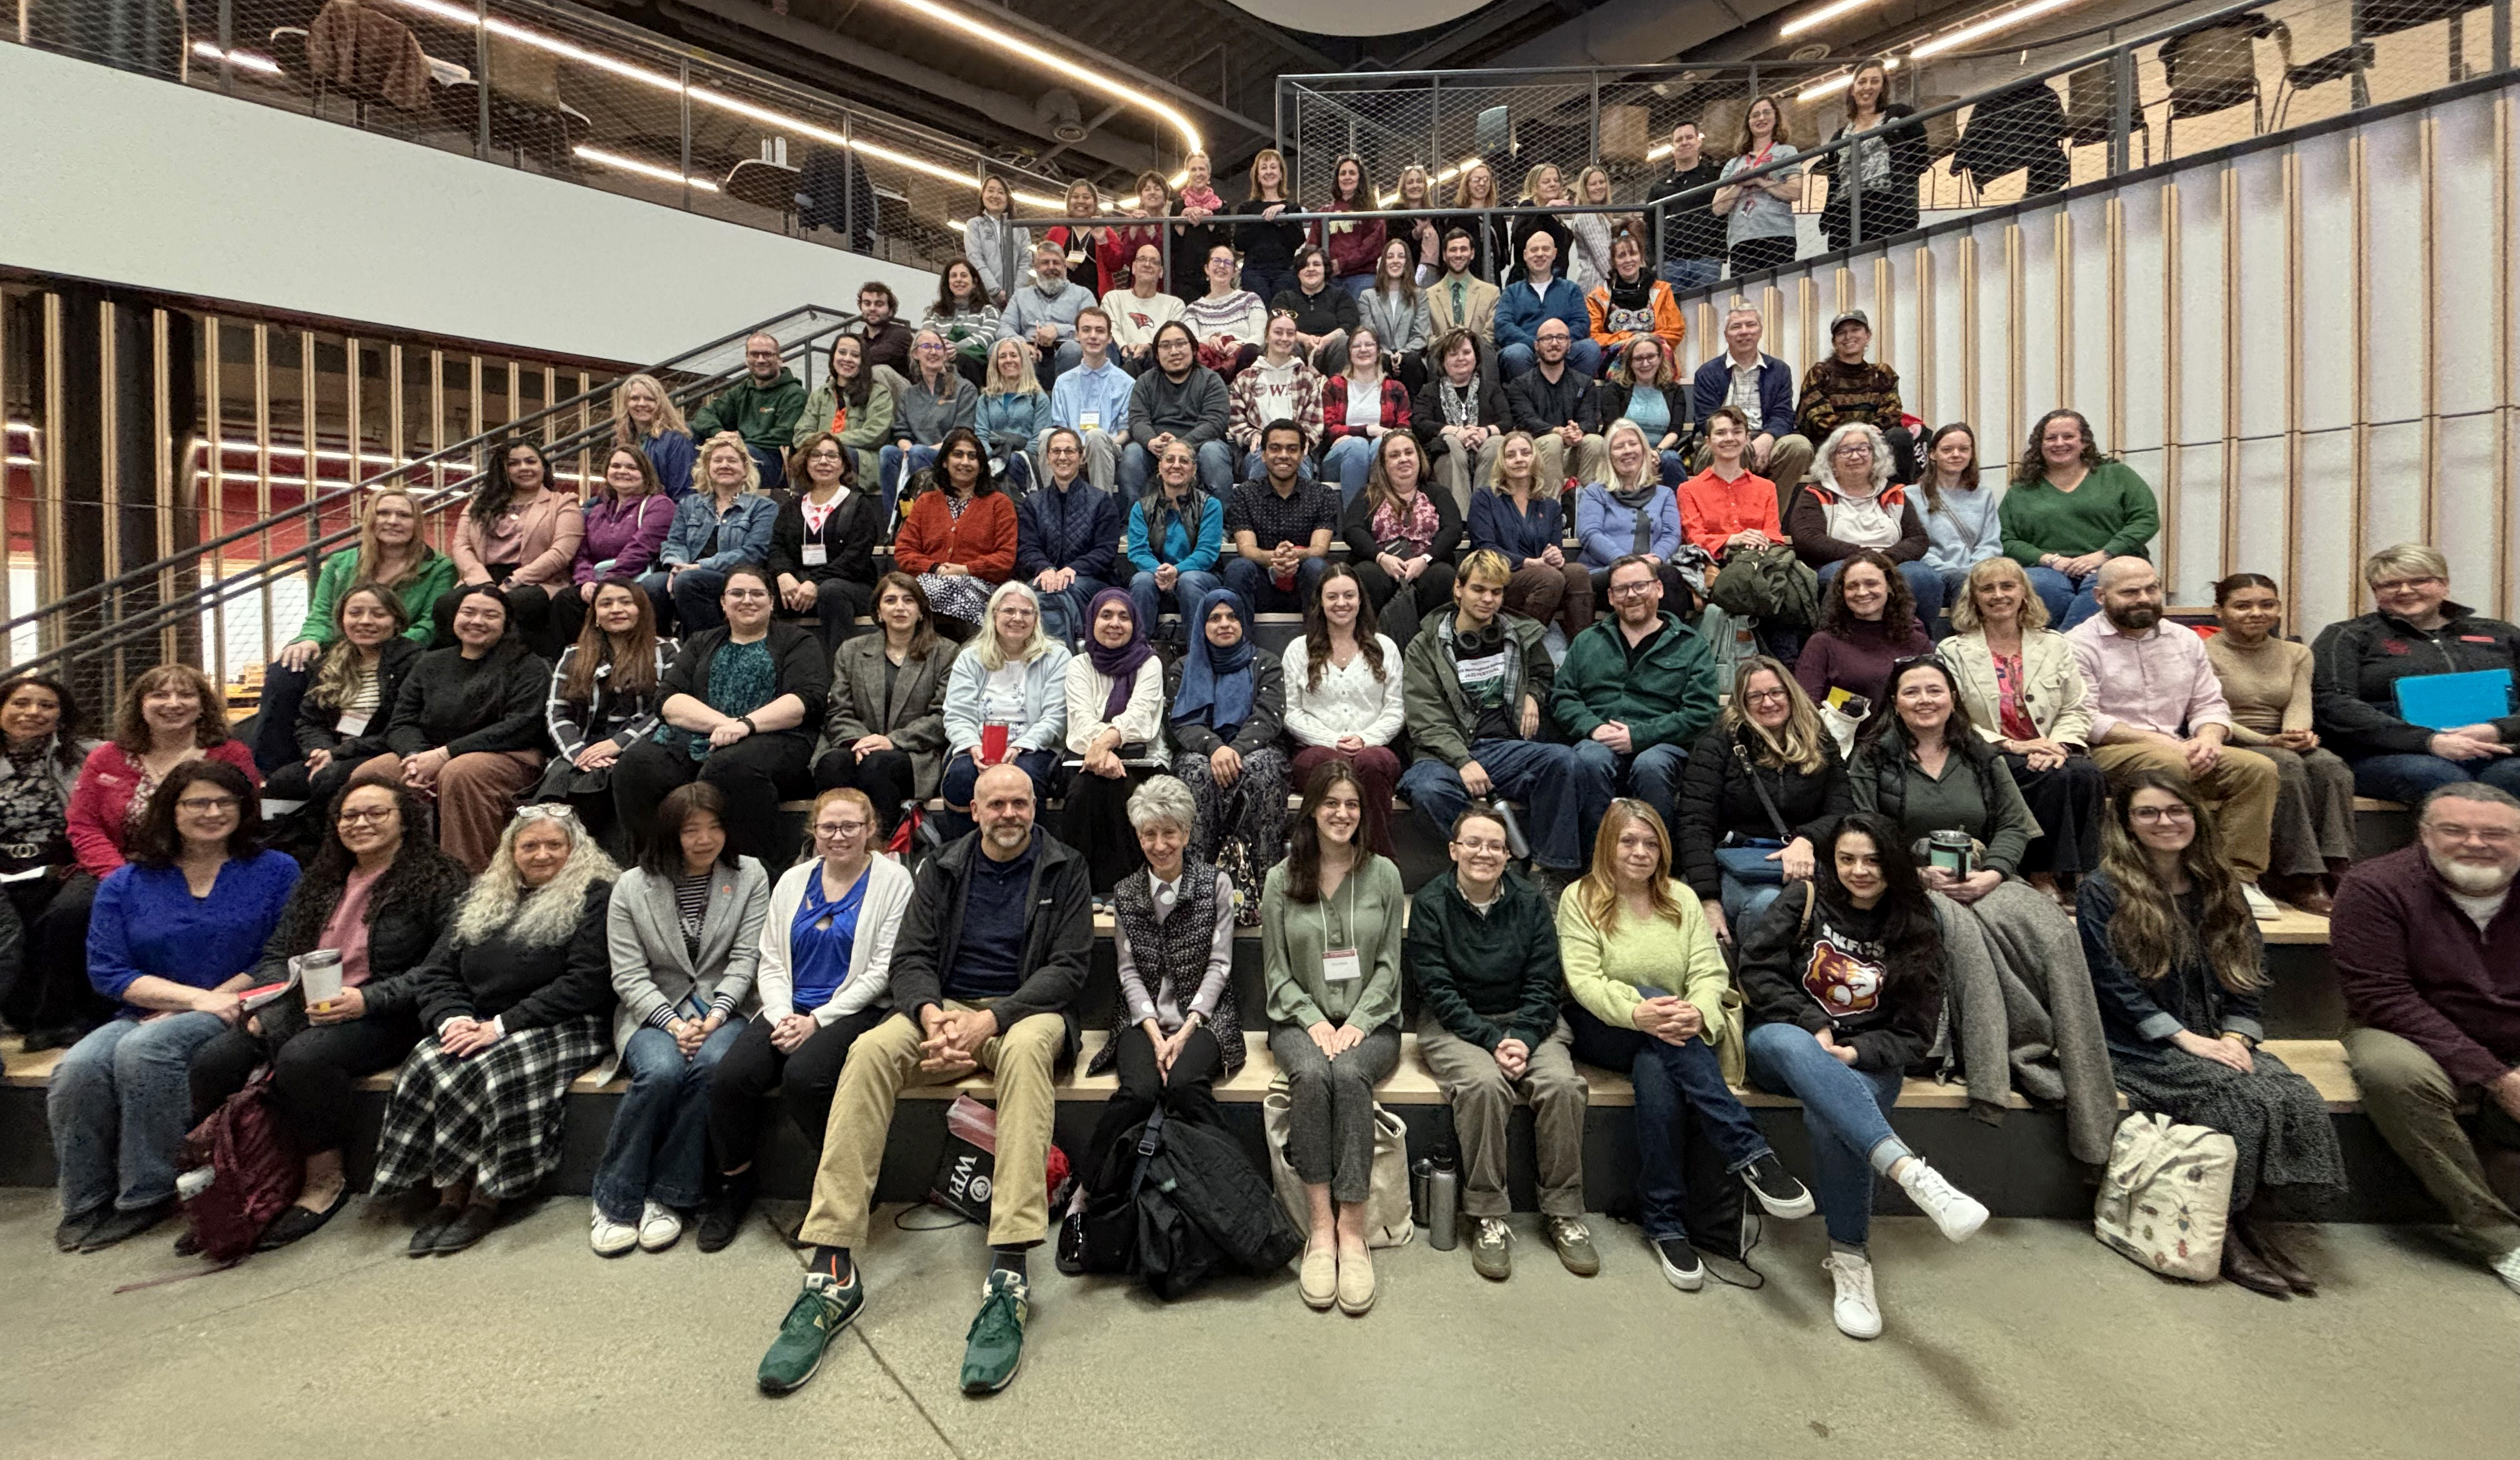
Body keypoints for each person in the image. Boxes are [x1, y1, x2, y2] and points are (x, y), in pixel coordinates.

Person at [756, 762, 1091, 1398]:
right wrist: (934, 1015)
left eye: (1021, 802)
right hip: (945, 1008)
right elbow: (911, 956)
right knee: (871, 1050)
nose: (1011, 813)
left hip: (1025, 1011)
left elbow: (1071, 966)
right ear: (973, 810)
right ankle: (832, 1263)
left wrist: (988, 1020)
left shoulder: (1064, 865)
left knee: (1024, 1055)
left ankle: (1011, 1269)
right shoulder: (941, 866)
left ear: (1035, 807)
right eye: (997, 804)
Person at [2080, 772, 2347, 1296]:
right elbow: (2108, 982)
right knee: (2235, 1099)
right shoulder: (2103, 889)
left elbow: (2248, 969)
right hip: (2137, 1042)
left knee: (2290, 1092)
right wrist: (2184, 1039)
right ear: (2128, 825)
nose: (2165, 822)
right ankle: (2224, 1234)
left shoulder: (2220, 885)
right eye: (2149, 813)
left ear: (2196, 816)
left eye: (2176, 810)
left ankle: (2250, 1223)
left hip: (2217, 1035)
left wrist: (2238, 1037)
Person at [1736, 812, 1991, 1339]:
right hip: (1783, 1044)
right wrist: (1814, 1025)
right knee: (1792, 1044)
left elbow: (1915, 1034)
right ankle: (1911, 1174)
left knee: (1832, 1118)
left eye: (1872, 860)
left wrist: (1854, 1054)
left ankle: (1851, 1263)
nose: (1859, 870)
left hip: (1867, 1060)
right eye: (1847, 859)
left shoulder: (1918, 923)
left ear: (1892, 863)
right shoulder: (1805, 899)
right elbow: (1756, 972)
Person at [185, 779, 468, 1250]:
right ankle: (235, 1184)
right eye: (349, 815)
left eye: (376, 813)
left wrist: (367, 1001)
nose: (361, 823)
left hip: (387, 1013)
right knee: (214, 1059)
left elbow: (443, 966)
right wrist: (269, 1003)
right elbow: (277, 953)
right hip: (304, 1005)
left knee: (304, 1058)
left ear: (405, 819)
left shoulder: (441, 878)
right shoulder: (321, 879)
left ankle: (323, 1181)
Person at [1558, 799, 1818, 1288]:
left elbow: (1708, 970)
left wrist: (1697, 1010)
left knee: (1657, 1069)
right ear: (1607, 846)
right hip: (1603, 1026)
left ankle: (1665, 1223)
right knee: (1658, 1021)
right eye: (1628, 841)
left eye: (1652, 842)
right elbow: (1584, 981)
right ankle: (1751, 1155)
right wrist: (1641, 1010)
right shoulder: (1582, 897)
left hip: (1673, 1033)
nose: (1641, 852)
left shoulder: (1680, 898)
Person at [47, 762, 296, 1252]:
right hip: (152, 1008)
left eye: (225, 802)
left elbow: (276, 954)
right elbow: (109, 971)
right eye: (197, 803)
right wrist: (191, 1000)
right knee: (75, 1068)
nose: (213, 812)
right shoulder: (127, 882)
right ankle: (84, 1202)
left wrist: (211, 1001)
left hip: (238, 1005)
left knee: (146, 1052)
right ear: (171, 811)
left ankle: (149, 1192)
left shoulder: (276, 870)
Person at [371, 805, 618, 1257]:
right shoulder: (481, 895)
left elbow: (587, 982)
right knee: (430, 1059)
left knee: (499, 1066)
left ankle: (491, 1194)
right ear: (511, 851)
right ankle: (448, 1191)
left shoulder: (595, 896)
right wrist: (453, 1020)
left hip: (562, 1021)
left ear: (574, 850)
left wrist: (501, 1027)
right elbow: (437, 974)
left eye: (554, 845)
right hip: (478, 1019)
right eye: (530, 845)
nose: (542, 854)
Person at [2329, 783, 2520, 1298]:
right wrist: (2495, 1076)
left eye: (2496, 833)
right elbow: (2382, 995)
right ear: (2425, 835)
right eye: (2455, 830)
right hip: (2408, 1031)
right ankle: (2499, 1237)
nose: (2475, 843)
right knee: (2391, 1074)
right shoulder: (2375, 886)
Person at [705, 786, 916, 1249]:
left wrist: (817, 1021)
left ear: (870, 830)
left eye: (850, 827)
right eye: (828, 828)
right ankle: (734, 1186)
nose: (839, 837)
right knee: (730, 1079)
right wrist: (782, 1015)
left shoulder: (894, 881)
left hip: (854, 1008)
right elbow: (772, 960)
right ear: (814, 831)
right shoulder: (793, 881)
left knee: (806, 1078)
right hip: (787, 1006)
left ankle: (843, 1189)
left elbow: (883, 969)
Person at [1409, 805, 1596, 1280]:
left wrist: (1523, 1036)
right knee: (1485, 1087)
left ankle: (1563, 1211)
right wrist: (1494, 1041)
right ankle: (1487, 1213)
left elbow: (1543, 980)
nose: (1484, 853)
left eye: (1495, 845)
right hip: (1456, 1024)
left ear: (1508, 853)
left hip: (1527, 1019)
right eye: (1473, 843)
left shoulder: (1531, 901)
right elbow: (1437, 989)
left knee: (1561, 1085)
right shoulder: (1431, 903)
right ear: (1454, 850)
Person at [589, 783, 768, 1256]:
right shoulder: (631, 886)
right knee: (662, 1071)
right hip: (652, 1011)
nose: (705, 839)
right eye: (692, 830)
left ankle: (668, 1197)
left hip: (725, 1007)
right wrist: (673, 1024)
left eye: (715, 828)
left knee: (712, 1068)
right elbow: (627, 975)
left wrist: (714, 1017)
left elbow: (746, 958)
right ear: (669, 833)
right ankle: (614, 1198)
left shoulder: (749, 875)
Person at [1066, 776, 1243, 1242]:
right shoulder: (1125, 892)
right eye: (1150, 834)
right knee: (1139, 1093)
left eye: (1170, 833)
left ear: (1187, 833)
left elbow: (1221, 965)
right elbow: (1127, 973)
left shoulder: (1215, 884)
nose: (1160, 844)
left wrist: (1185, 1032)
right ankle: (1085, 1191)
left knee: (1185, 1084)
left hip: (1204, 1017)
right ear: (1138, 836)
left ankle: (1236, 1186)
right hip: (1140, 1020)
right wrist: (1152, 1031)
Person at [51, 666, 261, 1048]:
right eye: (160, 696)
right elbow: (83, 825)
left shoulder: (230, 754)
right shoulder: (106, 758)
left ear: (203, 706)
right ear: (140, 705)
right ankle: (72, 1018)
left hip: (203, 861)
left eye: (186, 696)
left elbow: (245, 813)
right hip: (119, 865)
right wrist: (120, 876)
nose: (173, 704)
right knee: (68, 913)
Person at [1263, 759, 1407, 1314]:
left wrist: (1359, 1023)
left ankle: (1354, 1230)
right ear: (1312, 810)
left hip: (1373, 1022)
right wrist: (1315, 1021)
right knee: (1309, 1074)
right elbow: (1276, 973)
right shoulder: (1282, 878)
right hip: (1299, 1021)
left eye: (1351, 804)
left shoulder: (1385, 876)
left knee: (1348, 1074)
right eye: (1331, 804)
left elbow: (1390, 969)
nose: (1342, 814)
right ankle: (1320, 1229)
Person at [2069, 557, 2284, 916]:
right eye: (2130, 592)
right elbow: (2086, 719)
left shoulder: (2185, 640)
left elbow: (2210, 704)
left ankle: (2238, 880)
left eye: (2151, 589)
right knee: (2168, 762)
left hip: (2181, 749)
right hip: (2109, 751)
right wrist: (2165, 744)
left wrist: (2211, 738)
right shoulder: (2078, 644)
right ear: (2100, 596)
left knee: (2258, 769)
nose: (2143, 598)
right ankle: (2158, 876)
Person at [609, 566, 828, 866]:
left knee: (729, 768)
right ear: (723, 603)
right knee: (635, 766)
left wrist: (747, 725)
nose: (747, 600)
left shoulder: (797, 641)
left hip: (778, 738)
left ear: (772, 601)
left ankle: (754, 873)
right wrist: (725, 724)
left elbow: (808, 699)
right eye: (736, 594)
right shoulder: (701, 642)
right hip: (702, 736)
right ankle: (654, 868)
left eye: (757, 593)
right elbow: (668, 699)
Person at [1400, 549, 1597, 876]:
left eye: (1496, 591)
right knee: (1428, 790)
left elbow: (1543, 675)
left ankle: (1546, 871)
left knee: (1565, 761)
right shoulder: (1424, 646)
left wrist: (1533, 695)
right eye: (1479, 589)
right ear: (1458, 590)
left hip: (1506, 747)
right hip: (1444, 753)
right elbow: (1426, 718)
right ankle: (1493, 863)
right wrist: (1463, 761)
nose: (1488, 599)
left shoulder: (1521, 634)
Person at [251, 486, 452, 775]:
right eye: (383, 513)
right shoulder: (340, 562)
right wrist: (308, 639)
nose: (393, 521)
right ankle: (276, 768)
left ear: (416, 523)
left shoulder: (439, 567)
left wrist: (381, 648)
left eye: (403, 515)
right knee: (286, 670)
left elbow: (430, 623)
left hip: (401, 654)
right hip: (341, 652)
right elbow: (321, 614)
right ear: (370, 520)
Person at [1938, 556, 2107, 889]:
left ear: (2024, 594)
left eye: (2007, 586)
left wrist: (2057, 744)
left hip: (2051, 746)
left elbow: (2076, 706)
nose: (1998, 595)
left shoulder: (2055, 645)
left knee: (2088, 775)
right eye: (1987, 589)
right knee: (2048, 776)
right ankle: (2042, 874)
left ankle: (2087, 879)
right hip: (1991, 751)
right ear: (1974, 599)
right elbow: (1954, 716)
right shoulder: (1953, 651)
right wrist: (2014, 745)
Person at [2311, 541, 2520, 803]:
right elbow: (2333, 703)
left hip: (2499, 748)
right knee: (2437, 777)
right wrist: (2428, 741)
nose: (2405, 590)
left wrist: (2497, 730)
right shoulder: (2347, 635)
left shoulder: (2501, 633)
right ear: (2375, 592)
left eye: (2419, 581)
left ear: (2444, 584)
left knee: (2514, 775)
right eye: (2390, 585)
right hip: (2388, 754)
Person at [362, 586, 548, 874]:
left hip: (508, 755)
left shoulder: (528, 665)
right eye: (468, 612)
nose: (477, 621)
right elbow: (402, 721)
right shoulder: (431, 662)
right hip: (431, 753)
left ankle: (464, 879)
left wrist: (445, 755)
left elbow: (521, 725)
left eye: (490, 615)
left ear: (506, 623)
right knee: (371, 776)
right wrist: (416, 758)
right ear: (455, 618)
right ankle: (381, 875)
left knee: (460, 773)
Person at [2209, 572, 2356, 912]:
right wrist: (2269, 741)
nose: (2256, 613)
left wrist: (2298, 734)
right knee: (2284, 766)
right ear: (2219, 611)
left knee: (2330, 766)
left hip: (2283, 740)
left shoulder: (2297, 653)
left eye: (2267, 605)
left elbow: (2299, 703)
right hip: (2232, 737)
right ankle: (2299, 875)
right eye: (2242, 606)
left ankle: (2338, 867)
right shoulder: (2201, 652)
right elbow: (2205, 712)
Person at [1678, 656, 1850, 943]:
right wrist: (1707, 900)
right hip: (1737, 866)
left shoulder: (1819, 739)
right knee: (1767, 905)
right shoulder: (1719, 742)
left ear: (1790, 693)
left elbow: (1842, 810)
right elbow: (1695, 823)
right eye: (1755, 696)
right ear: (1741, 704)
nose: (1768, 703)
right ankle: (1759, 984)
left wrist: (1806, 840)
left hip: (1806, 862)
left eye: (1776, 692)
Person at [1557, 554, 1721, 836]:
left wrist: (1639, 736)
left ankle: (1658, 864)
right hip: (1599, 741)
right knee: (1589, 759)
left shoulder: (1691, 645)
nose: (1631, 595)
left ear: (1658, 589)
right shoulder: (1587, 642)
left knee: (1651, 765)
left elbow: (1701, 711)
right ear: (1610, 597)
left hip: (1663, 746)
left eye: (1640, 586)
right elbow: (1563, 697)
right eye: (1621, 589)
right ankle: (1593, 865)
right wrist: (1593, 728)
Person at [262, 584, 423, 835]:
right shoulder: (331, 661)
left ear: (396, 621)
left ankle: (328, 850)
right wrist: (320, 750)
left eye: (378, 614)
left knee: (332, 780)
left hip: (380, 751)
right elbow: (309, 720)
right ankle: (279, 848)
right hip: (331, 752)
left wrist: (339, 754)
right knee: (282, 781)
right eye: (355, 613)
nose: (365, 621)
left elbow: (402, 726)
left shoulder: (414, 661)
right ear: (342, 619)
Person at [812, 573, 960, 843]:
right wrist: (861, 741)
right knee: (832, 763)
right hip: (853, 746)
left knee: (878, 765)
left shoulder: (946, 652)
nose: (900, 607)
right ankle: (832, 843)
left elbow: (943, 716)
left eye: (908, 600)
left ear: (920, 612)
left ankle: (878, 847)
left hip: (912, 753)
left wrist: (890, 741)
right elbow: (838, 710)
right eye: (890, 600)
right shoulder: (852, 651)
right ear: (878, 612)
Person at [0, 675, 101, 1048]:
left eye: (46, 705)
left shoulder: (90, 754)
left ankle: (60, 1017)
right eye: (20, 703)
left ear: (62, 715)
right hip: (3, 865)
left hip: (66, 862)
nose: (33, 713)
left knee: (68, 910)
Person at [538, 577, 676, 850]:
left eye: (626, 602)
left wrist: (618, 744)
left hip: (641, 746)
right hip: (585, 749)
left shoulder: (668, 651)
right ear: (596, 616)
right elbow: (557, 712)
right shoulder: (573, 655)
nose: (616, 609)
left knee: (618, 778)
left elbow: (668, 709)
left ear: (642, 610)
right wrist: (579, 754)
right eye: (606, 604)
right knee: (560, 782)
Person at [1998, 408, 2162, 630]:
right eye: (2051, 438)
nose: (2059, 443)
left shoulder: (2117, 475)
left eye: (2068, 436)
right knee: (2040, 585)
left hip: (2111, 562)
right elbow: (2006, 540)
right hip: (2047, 569)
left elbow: (2146, 519)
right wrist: (2052, 560)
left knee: (2109, 587)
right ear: (2040, 445)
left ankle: (2064, 652)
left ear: (2084, 442)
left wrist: (2104, 555)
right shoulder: (2020, 491)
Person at [1282, 565, 1406, 858]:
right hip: (1315, 749)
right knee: (1330, 764)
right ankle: (1324, 860)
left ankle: (1377, 863)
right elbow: (1290, 712)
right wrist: (1332, 740)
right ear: (1321, 603)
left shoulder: (1384, 647)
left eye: (1349, 595)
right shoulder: (1299, 650)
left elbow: (1395, 708)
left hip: (1373, 748)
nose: (1342, 603)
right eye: (1333, 596)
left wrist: (1366, 739)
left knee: (1372, 763)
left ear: (1360, 600)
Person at [938, 582, 1072, 842]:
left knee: (1026, 775)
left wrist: (1022, 745)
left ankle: (1033, 855)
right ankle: (964, 856)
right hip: (978, 746)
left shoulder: (1056, 656)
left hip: (1035, 747)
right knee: (961, 776)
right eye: (1009, 611)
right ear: (994, 614)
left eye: (1026, 612)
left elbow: (1057, 717)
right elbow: (956, 714)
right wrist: (972, 746)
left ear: (1036, 618)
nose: (1017, 618)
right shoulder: (970, 657)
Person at [1167, 589, 1289, 871]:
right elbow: (1180, 723)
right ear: (1202, 625)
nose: (1225, 624)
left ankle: (1261, 879)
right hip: (1202, 751)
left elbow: (1268, 717)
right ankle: (1198, 880)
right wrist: (1215, 747)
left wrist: (1234, 750)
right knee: (1195, 771)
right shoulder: (1183, 668)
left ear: (1243, 622)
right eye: (1215, 618)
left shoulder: (1266, 663)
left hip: (1256, 748)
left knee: (1260, 767)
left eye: (1232, 617)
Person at [1789, 421, 1945, 632]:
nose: (1855, 456)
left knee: (1925, 578)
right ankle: (1841, 641)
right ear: (1832, 459)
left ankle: (1917, 640)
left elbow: (1918, 538)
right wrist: (1863, 557)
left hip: (1891, 561)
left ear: (1875, 455)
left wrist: (1887, 559)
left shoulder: (1895, 493)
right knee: (1838, 577)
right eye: (1845, 451)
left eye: (1863, 449)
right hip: (1839, 562)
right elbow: (1807, 538)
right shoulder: (1814, 494)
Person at [438, 438, 582, 656]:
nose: (523, 468)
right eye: (514, 463)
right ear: (503, 469)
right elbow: (461, 545)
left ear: (543, 466)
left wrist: (514, 581)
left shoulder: (563, 503)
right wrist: (482, 583)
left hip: (536, 580)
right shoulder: (479, 502)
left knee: (512, 605)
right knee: (446, 604)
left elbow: (561, 553)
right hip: (482, 577)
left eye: (530, 461)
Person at [1061, 589, 1162, 895]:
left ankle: (1126, 889)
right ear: (1092, 621)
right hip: (1084, 758)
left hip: (1141, 758)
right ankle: (1081, 889)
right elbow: (1080, 723)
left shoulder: (1150, 663)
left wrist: (1104, 744)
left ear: (1135, 624)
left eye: (1124, 617)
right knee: (1084, 790)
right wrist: (1104, 752)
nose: (1115, 623)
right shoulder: (1079, 665)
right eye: (1106, 615)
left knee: (1127, 790)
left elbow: (1141, 717)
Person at [894, 428, 1019, 639]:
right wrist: (936, 569)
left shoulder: (999, 504)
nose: (965, 462)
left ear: (981, 466)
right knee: (912, 594)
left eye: (973, 457)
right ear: (945, 461)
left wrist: (965, 569)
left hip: (981, 587)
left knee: (938, 593)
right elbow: (905, 551)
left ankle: (964, 659)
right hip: (930, 582)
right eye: (958, 454)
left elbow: (1005, 558)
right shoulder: (926, 502)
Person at [1340, 431, 1461, 647]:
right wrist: (1381, 558)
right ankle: (1368, 645)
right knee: (1366, 575)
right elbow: (1352, 529)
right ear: (1384, 465)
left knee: (1443, 576)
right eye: (1395, 455)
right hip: (1382, 566)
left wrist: (1425, 559)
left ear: (1419, 458)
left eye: (1409, 453)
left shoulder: (1438, 493)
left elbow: (1453, 530)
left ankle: (1431, 646)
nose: (1403, 459)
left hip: (1426, 566)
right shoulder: (1369, 494)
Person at [549, 446, 674, 651]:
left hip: (636, 578)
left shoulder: (660, 505)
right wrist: (586, 582)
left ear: (645, 472)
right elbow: (582, 555)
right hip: (598, 581)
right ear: (607, 472)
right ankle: (577, 660)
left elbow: (640, 550)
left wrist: (605, 586)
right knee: (566, 600)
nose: (622, 471)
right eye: (616, 466)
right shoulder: (596, 511)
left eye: (631, 467)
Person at [650, 432, 778, 636]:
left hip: (734, 576)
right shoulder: (689, 505)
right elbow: (674, 542)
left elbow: (753, 552)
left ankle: (708, 645)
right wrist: (677, 565)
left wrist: (699, 566)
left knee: (688, 582)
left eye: (732, 460)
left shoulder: (763, 507)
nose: (724, 465)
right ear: (708, 469)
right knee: (653, 585)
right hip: (687, 571)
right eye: (717, 460)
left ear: (745, 470)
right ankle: (665, 648)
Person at [1468, 430, 1591, 641]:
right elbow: (1485, 548)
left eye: (1525, 453)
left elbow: (1555, 547)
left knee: (1577, 572)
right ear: (1502, 462)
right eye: (1511, 455)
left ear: (1534, 458)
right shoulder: (1485, 498)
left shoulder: (1550, 506)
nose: (1519, 459)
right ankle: (1523, 643)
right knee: (1549, 577)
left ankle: (1581, 646)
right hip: (1501, 577)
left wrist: (1555, 556)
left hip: (1543, 578)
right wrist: (1527, 563)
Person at [767, 432, 885, 648]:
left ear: (843, 465)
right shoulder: (792, 508)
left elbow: (856, 558)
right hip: (800, 586)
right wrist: (783, 574)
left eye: (832, 456)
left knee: (830, 591)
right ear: (805, 463)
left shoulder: (859, 506)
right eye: (816, 455)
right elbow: (777, 548)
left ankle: (838, 671)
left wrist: (815, 582)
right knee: (764, 593)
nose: (824, 461)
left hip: (851, 586)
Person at [1689, 304, 1811, 504]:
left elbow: (1783, 414)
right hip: (1722, 441)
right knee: (1735, 448)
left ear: (1760, 331)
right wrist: (1741, 439)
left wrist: (1768, 438)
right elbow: (1706, 420)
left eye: (1751, 325)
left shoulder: (1779, 370)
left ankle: (1770, 523)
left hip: (1765, 438)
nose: (1744, 331)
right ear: (1726, 335)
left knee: (1799, 447)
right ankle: (1729, 522)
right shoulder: (1707, 372)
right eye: (1736, 327)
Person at [1016, 427, 1126, 646]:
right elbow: (1028, 548)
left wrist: (1072, 570)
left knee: (1061, 592)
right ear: (1047, 457)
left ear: (1081, 456)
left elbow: (1105, 551)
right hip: (1045, 578)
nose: (1063, 457)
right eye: (1056, 451)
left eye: (1069, 451)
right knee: (1027, 596)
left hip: (1090, 580)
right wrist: (1045, 568)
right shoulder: (1033, 503)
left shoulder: (1101, 501)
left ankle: (1058, 656)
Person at [1794, 550, 1934, 717]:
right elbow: (1807, 709)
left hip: (1905, 739)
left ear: (1889, 586)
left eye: (1871, 584)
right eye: (1852, 586)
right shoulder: (1822, 643)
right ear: (1842, 593)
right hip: (1844, 740)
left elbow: (1931, 700)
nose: (1862, 592)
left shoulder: (1917, 642)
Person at [1222, 419, 1339, 614]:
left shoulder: (1322, 494)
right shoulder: (1244, 494)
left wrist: (1292, 556)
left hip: (1305, 583)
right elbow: (1246, 549)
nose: (1283, 456)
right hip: (1261, 584)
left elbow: (1319, 549)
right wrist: (1276, 559)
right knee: (1238, 568)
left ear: (1303, 455)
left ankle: (1319, 644)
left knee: (1317, 566)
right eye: (1275, 449)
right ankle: (1241, 644)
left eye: (1292, 449)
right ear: (1263, 455)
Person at [1813, 59, 1926, 249]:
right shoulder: (1840, 136)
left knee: (1884, 262)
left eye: (1875, 81)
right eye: (1862, 82)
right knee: (1845, 269)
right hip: (1844, 211)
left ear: (1883, 87)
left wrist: (1904, 187)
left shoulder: (1898, 116)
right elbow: (1834, 180)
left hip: (1886, 204)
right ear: (1852, 89)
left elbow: (1920, 155)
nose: (1868, 87)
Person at [1794, 311, 1916, 483]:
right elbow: (1817, 416)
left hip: (1874, 442)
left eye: (1855, 330)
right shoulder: (1820, 373)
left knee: (1900, 436)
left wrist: (1871, 432)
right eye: (1841, 333)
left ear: (1868, 336)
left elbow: (1892, 411)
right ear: (1834, 342)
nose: (1848, 336)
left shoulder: (1882, 374)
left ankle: (1897, 499)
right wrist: (1857, 434)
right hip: (1832, 441)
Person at [1574, 421, 1686, 608]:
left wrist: (1657, 559)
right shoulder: (1595, 492)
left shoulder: (1664, 494)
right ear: (1609, 456)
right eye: (1619, 447)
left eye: (1633, 444)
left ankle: (1669, 637)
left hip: (1652, 572)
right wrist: (1628, 564)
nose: (1627, 451)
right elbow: (1590, 533)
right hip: (1606, 573)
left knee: (1669, 576)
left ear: (1644, 450)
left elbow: (1671, 534)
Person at [1126, 438, 1228, 638]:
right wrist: (1161, 572)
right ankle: (1137, 653)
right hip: (1156, 575)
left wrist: (1177, 571)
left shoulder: (1210, 505)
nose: (1176, 465)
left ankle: (1198, 655)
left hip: (1200, 576)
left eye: (1184, 461)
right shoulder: (1142, 507)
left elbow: (1206, 554)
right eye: (1170, 459)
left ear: (1194, 469)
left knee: (1188, 581)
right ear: (1160, 467)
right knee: (1141, 581)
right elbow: (1138, 552)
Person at [1121, 321, 1236, 499]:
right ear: (1157, 355)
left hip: (1199, 447)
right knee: (1132, 453)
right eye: (1165, 346)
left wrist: (1180, 445)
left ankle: (1221, 524)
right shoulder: (1145, 382)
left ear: (1194, 349)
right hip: (1156, 450)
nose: (1174, 351)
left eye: (1181, 344)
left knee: (1213, 452)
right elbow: (1138, 420)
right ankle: (1131, 523)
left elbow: (1214, 423)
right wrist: (1151, 441)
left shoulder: (1211, 381)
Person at [879, 329, 981, 518]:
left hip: (951, 452)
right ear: (916, 354)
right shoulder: (909, 394)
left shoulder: (965, 388)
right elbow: (901, 432)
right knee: (888, 453)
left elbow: (962, 432)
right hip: (915, 452)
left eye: (937, 347)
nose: (933, 352)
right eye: (926, 346)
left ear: (944, 353)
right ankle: (895, 524)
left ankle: (924, 520)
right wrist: (908, 449)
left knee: (919, 453)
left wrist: (922, 450)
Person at [691, 332, 807, 491]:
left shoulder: (794, 394)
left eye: (767, 354)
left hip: (772, 462)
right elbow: (705, 414)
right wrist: (718, 433)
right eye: (754, 354)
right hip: (739, 451)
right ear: (747, 359)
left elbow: (784, 435)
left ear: (779, 359)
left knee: (737, 453)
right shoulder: (743, 390)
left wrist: (737, 445)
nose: (760, 360)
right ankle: (688, 493)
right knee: (688, 431)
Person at [1503, 316, 1609, 489]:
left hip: (1575, 450)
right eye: (1547, 338)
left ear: (1569, 345)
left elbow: (1589, 420)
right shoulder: (1520, 384)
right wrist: (1558, 432)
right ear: (1537, 346)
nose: (1554, 343)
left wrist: (1578, 432)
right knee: (1553, 441)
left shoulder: (1585, 383)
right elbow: (1526, 421)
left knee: (1595, 442)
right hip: (1537, 454)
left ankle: (1587, 504)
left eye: (1560, 338)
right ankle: (1549, 509)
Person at [1416, 328, 1512, 514]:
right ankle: (1460, 518)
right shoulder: (1429, 391)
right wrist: (1456, 432)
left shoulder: (1491, 389)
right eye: (1453, 354)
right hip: (1445, 456)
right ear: (1443, 361)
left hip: (1484, 449)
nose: (1461, 358)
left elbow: (1507, 420)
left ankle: (1483, 514)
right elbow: (1420, 423)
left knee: (1496, 443)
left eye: (1467, 352)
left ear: (1476, 357)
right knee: (1450, 443)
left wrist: (1485, 432)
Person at [1318, 326, 1413, 507]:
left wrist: (1351, 433)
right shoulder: (1334, 385)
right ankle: (1354, 520)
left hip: (1381, 452)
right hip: (1338, 458)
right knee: (1357, 446)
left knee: (1381, 444)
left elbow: (1404, 431)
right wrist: (1369, 430)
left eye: (1369, 345)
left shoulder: (1396, 388)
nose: (1363, 350)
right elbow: (1330, 429)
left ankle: (1385, 515)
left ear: (1378, 352)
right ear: (1349, 352)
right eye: (1356, 346)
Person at [1712, 95, 1804, 278]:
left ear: (1776, 118)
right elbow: (1717, 207)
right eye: (1755, 115)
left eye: (1766, 113)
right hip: (1742, 240)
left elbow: (1795, 191)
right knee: (1744, 298)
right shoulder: (1734, 163)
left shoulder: (1786, 152)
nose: (1761, 118)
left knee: (1780, 291)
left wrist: (1761, 181)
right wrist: (1740, 183)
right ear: (1748, 123)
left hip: (1778, 235)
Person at [1228, 311, 1324, 481]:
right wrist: (1254, 437)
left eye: (1290, 333)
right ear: (1266, 336)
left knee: (1296, 460)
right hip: (1256, 451)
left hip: (1296, 449)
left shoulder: (1306, 378)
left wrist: (1300, 440)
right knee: (1263, 457)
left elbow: (1314, 424)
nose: (1284, 338)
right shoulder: (1245, 378)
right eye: (1278, 332)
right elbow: (1236, 421)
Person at [1677, 406, 1782, 561]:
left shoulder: (1766, 487)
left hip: (1759, 561)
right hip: (1713, 563)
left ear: (1747, 439)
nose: (1729, 438)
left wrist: (1753, 543)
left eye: (1737, 432)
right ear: (1708, 442)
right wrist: (1732, 540)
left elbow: (1774, 535)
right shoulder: (1688, 489)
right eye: (1721, 433)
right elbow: (1694, 538)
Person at [791, 332, 893, 489]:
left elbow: (875, 434)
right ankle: (805, 510)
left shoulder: (878, 393)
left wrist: (830, 442)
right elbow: (800, 435)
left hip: (861, 463)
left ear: (863, 362)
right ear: (833, 357)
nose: (847, 359)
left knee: (840, 455)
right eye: (842, 352)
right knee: (805, 458)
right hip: (820, 457)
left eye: (855, 355)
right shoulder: (819, 395)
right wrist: (824, 447)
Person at [1046, 306, 1133, 491]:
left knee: (1095, 436)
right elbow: (1060, 427)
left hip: (1109, 446)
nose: (1093, 336)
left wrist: (1094, 444)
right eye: (1086, 330)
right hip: (1070, 447)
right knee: (1046, 436)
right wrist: (1076, 449)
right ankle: (1051, 506)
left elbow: (1124, 433)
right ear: (1077, 335)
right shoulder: (1063, 382)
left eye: (1100, 331)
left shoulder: (1127, 382)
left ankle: (1102, 510)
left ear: (1110, 338)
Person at [1494, 232, 1599, 381]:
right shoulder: (1512, 292)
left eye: (1545, 249)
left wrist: (1558, 344)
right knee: (1515, 354)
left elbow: (1581, 323)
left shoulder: (1571, 289)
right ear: (1525, 255)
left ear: (1554, 253)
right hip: (1528, 352)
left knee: (1590, 348)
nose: (1540, 254)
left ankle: (1575, 400)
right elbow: (1503, 326)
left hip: (1564, 351)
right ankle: (1527, 401)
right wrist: (1537, 345)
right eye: (1534, 250)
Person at [1916, 422, 2002, 600]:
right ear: (1933, 454)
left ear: (1971, 454)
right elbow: (1915, 545)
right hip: (1934, 573)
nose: (1956, 455)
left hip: (1977, 573)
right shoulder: (1910, 496)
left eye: (1963, 449)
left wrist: (1974, 570)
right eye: (1947, 450)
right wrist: (1949, 570)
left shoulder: (1984, 495)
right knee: (1960, 580)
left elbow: (1990, 543)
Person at [996, 241, 1097, 391]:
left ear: (1064, 266)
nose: (1051, 267)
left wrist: (1058, 330)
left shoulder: (1083, 294)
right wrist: (1020, 344)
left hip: (1066, 351)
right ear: (1036, 267)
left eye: (1056, 263)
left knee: (1072, 349)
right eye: (1045, 263)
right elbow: (1004, 327)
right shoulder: (1020, 296)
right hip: (1029, 351)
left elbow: (1093, 328)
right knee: (996, 349)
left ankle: (1066, 400)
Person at [1596, 334, 1691, 485]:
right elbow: (1613, 429)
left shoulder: (1673, 390)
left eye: (1651, 357)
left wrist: (1656, 452)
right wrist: (1641, 454)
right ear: (1630, 363)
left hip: (1660, 452)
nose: (1645, 363)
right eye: (1639, 359)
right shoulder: (1614, 389)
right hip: (1625, 450)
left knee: (1671, 460)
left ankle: (1681, 507)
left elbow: (1675, 430)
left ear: (1660, 359)